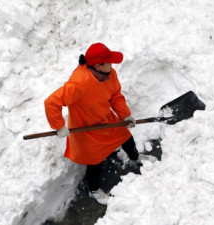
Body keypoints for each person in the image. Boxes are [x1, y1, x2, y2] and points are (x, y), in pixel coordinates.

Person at [44, 43, 155, 205]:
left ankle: (135, 158)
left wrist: (125, 115)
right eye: (109, 62)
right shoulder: (79, 83)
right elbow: (51, 103)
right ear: (98, 65)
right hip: (86, 128)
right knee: (95, 161)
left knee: (125, 136)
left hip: (105, 119)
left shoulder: (109, 74)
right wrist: (59, 126)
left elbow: (115, 96)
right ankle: (94, 190)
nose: (113, 65)